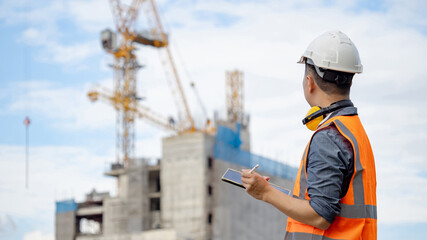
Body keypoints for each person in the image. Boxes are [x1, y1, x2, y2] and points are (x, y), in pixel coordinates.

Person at [241, 30, 377, 240]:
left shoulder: (329, 136)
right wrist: (271, 189)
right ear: (350, 81)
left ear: (309, 82)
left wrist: (265, 193)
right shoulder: (353, 129)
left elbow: (321, 214)